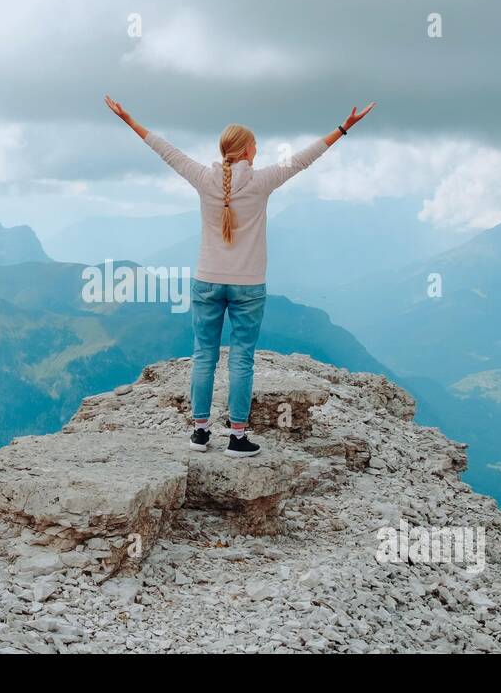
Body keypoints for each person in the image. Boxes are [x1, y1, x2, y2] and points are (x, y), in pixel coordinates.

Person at [105, 95, 375, 457]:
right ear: (248, 151)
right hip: (248, 284)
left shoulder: (203, 177)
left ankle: (200, 433)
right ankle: (237, 437)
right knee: (242, 358)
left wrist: (128, 119)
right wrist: (344, 128)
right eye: (255, 145)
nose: (257, 149)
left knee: (204, 354)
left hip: (207, 280)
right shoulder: (263, 181)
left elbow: (165, 150)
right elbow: (304, 159)